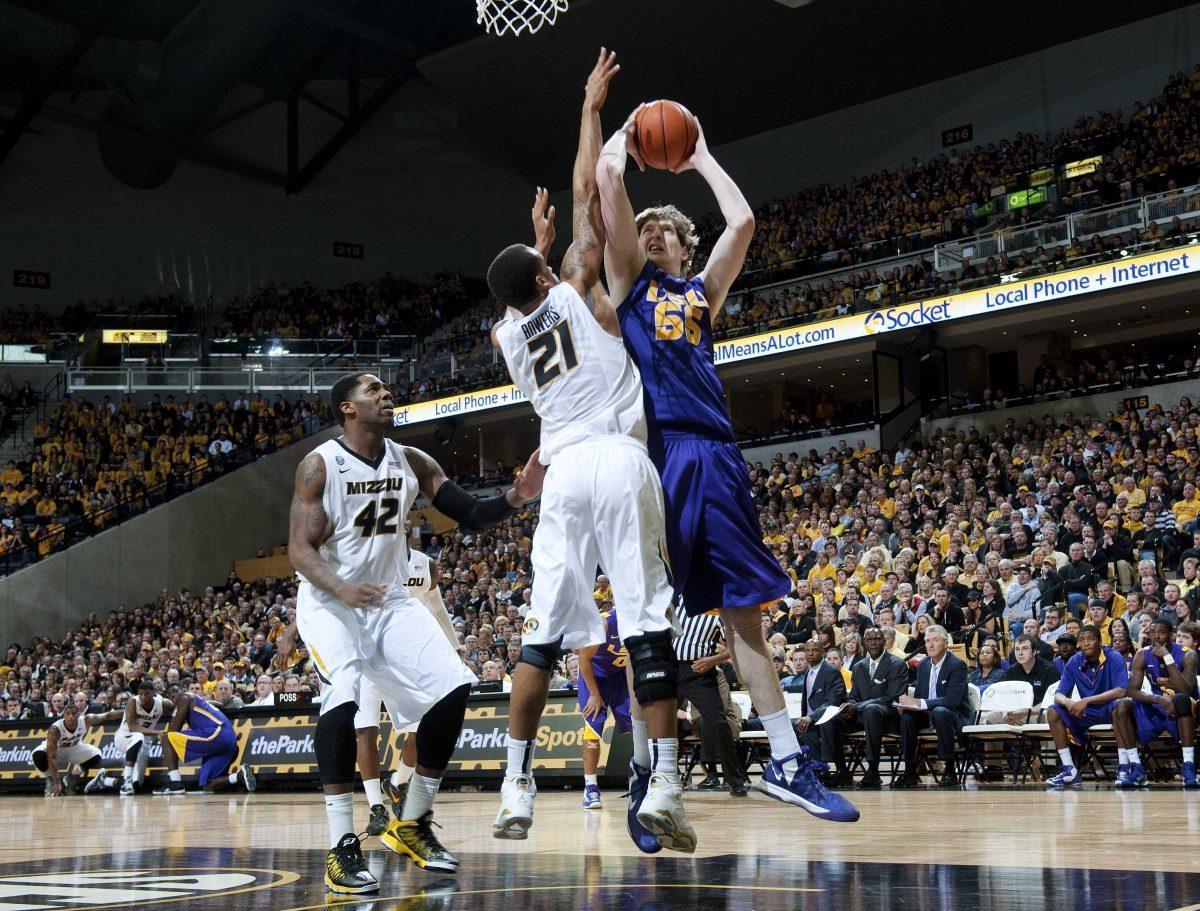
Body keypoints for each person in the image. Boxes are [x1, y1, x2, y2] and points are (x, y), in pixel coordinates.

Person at [598, 89, 857, 825]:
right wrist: (622, 133)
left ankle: (781, 759)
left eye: (664, 232)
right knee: (649, 619)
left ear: (684, 246)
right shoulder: (630, 287)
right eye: (642, 230)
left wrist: (702, 156)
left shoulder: (702, 295)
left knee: (743, 616)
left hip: (715, 456)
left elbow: (743, 221)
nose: (650, 236)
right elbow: (610, 184)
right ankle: (653, 774)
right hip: (664, 453)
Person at [488, 51, 695, 854]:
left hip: (560, 472)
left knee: (543, 634)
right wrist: (589, 109)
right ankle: (666, 784)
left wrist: (531, 251)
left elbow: (513, 290)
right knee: (645, 624)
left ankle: (514, 783)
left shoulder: (508, 335)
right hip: (614, 456)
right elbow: (586, 194)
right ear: (549, 269)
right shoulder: (580, 288)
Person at [288, 374, 539, 893]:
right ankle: (341, 846)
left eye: (387, 389)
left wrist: (517, 496)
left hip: (389, 599)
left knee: (455, 686)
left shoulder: (413, 462)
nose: (386, 395)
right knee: (342, 698)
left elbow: (469, 512)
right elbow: (299, 550)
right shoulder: (319, 465)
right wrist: (341, 588)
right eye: (372, 390)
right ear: (347, 409)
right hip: (332, 603)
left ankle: (412, 821)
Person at [1111, 617, 1198, 788]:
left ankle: (1189, 766)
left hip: (1186, 708)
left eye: (1161, 633)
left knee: (1180, 699)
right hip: (1159, 703)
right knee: (1121, 705)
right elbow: (1132, 690)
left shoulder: (1188, 654)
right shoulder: (1142, 654)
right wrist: (1156, 698)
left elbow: (1185, 691)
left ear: (1171, 635)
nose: (1156, 637)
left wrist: (1167, 657)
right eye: (1153, 633)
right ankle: (1136, 767)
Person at [1045, 625, 1129, 788]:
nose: (1086, 643)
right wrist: (1069, 702)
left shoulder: (1114, 656)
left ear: (1100, 640)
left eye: (1090, 639)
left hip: (1109, 708)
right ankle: (1069, 769)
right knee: (1053, 711)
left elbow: (1121, 691)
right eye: (1082, 640)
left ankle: (1124, 766)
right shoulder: (1074, 661)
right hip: (1086, 713)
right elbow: (1058, 695)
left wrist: (1088, 700)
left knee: (1120, 706)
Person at [674, 610, 746, 797]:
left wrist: (712, 660)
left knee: (718, 723)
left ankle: (735, 780)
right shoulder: (673, 603)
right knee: (662, 723)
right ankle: (665, 776)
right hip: (672, 670)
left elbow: (735, 646)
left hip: (700, 672)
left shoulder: (716, 613)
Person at [893, 625, 972, 788]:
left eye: (936, 640)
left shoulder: (957, 665)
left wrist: (919, 703)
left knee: (940, 712)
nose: (930, 644)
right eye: (927, 641)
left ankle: (950, 770)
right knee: (907, 717)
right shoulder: (923, 665)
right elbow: (920, 695)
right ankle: (909, 771)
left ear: (946, 643)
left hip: (952, 714)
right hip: (928, 712)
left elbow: (952, 701)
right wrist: (907, 705)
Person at [831, 627, 908, 788]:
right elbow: (855, 696)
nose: (873, 642)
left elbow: (894, 697)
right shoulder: (859, 666)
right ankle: (841, 770)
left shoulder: (897, 664)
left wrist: (858, 706)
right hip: (863, 713)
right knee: (833, 718)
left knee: (872, 710)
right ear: (864, 643)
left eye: (877, 639)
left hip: (889, 715)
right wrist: (851, 704)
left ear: (884, 641)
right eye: (869, 639)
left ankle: (873, 770)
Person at [577, 603, 632, 809]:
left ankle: (645, 780)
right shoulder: (606, 621)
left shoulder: (642, 619)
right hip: (595, 673)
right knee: (593, 725)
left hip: (621, 675)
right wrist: (594, 693)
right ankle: (590, 788)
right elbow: (584, 656)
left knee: (638, 724)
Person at [154, 690, 255, 796]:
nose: (173, 699)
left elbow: (173, 731)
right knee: (207, 786)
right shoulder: (199, 702)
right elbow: (219, 704)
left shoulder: (184, 697)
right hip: (228, 739)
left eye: (174, 696)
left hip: (217, 734)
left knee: (166, 738)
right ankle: (240, 776)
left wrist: (172, 716)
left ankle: (175, 784)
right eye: (170, 697)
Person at [32, 701, 117, 796]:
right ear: (63, 715)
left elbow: (108, 715)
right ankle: (50, 779)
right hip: (57, 749)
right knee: (38, 755)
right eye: (67, 714)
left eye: (73, 714)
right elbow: (51, 757)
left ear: (78, 714)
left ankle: (72, 777)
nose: (70, 716)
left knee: (96, 754)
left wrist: (126, 711)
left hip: (74, 747)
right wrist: (57, 781)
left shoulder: (86, 720)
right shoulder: (55, 729)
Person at [791, 639, 847, 773]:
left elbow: (833, 702)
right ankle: (803, 768)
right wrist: (806, 717)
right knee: (791, 726)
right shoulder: (808, 672)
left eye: (815, 650)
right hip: (812, 719)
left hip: (830, 719)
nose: (810, 654)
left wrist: (811, 717)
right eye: (808, 650)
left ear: (822, 652)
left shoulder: (831, 671)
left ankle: (819, 768)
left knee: (807, 729)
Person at [113, 677, 172, 796]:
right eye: (141, 694)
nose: (144, 696)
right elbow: (133, 728)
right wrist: (157, 733)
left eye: (147, 694)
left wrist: (169, 732)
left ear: (154, 693)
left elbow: (177, 712)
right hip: (124, 737)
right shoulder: (133, 702)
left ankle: (106, 781)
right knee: (138, 736)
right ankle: (126, 781)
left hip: (144, 741)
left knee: (138, 784)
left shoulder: (163, 704)